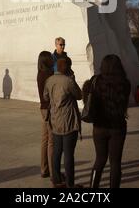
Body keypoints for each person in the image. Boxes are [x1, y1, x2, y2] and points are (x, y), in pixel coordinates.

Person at [82, 54, 131, 188]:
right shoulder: (125, 83)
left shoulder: (95, 81)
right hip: (118, 126)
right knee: (115, 163)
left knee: (100, 160)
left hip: (99, 126)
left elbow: (87, 98)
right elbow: (124, 104)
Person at [43, 58, 82, 188]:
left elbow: (45, 97)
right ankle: (70, 184)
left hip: (55, 121)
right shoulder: (69, 81)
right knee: (69, 154)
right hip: (68, 121)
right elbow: (79, 95)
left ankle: (56, 180)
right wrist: (73, 79)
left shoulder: (49, 80)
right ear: (68, 67)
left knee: (57, 152)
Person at [37, 51, 54, 180]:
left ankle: (44, 169)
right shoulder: (48, 74)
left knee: (44, 139)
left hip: (43, 108)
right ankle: (54, 173)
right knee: (51, 141)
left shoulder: (40, 74)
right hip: (49, 108)